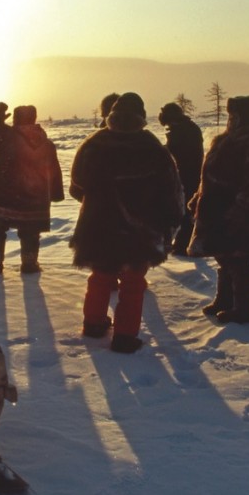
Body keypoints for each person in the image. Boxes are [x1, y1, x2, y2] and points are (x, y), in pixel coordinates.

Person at [69, 92, 185, 353]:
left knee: (100, 275)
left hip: (99, 225)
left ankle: (93, 323)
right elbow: (172, 191)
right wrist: (169, 223)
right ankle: (124, 336)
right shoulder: (153, 148)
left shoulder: (94, 144)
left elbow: (77, 184)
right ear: (141, 118)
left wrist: (95, 202)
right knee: (133, 282)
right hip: (140, 229)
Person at [187, 96, 249, 324]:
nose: (231, 119)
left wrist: (241, 210)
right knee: (224, 255)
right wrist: (198, 199)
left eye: (235, 115)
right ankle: (225, 299)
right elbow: (209, 176)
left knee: (238, 259)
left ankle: (245, 309)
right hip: (217, 209)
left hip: (241, 212)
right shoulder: (228, 139)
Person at [0, 102, 64, 274]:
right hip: (36, 198)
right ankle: (29, 265)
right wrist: (55, 193)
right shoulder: (46, 143)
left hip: (3, 195)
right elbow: (53, 169)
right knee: (31, 230)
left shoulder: (6, 138)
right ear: (34, 119)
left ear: (15, 119)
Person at [158, 102, 204, 255]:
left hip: (188, 175)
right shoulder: (186, 128)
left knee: (185, 211)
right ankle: (182, 243)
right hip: (185, 174)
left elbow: (173, 150)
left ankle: (183, 245)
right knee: (183, 210)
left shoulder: (183, 131)